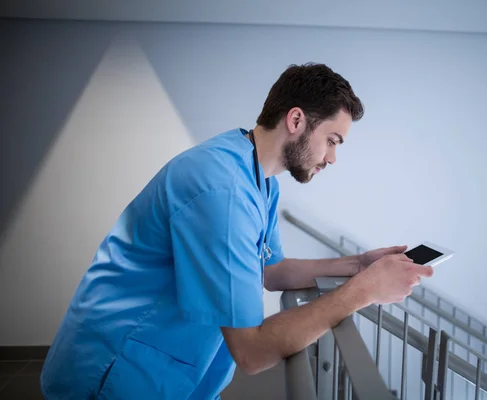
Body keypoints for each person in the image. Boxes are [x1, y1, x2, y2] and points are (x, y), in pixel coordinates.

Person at [40, 63, 434, 400]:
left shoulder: (258, 178)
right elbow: (252, 351)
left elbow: (270, 270)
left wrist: (359, 264)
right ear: (296, 120)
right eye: (332, 141)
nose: (332, 157)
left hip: (163, 365)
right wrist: (365, 291)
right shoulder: (222, 189)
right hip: (116, 368)